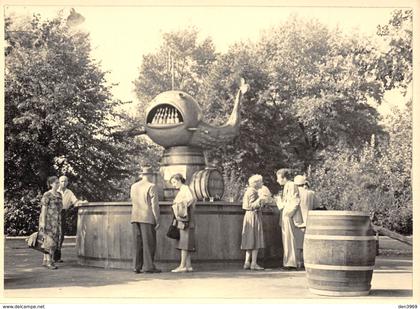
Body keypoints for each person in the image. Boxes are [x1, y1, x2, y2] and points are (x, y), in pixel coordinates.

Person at [130, 166, 161, 274]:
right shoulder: (152, 186)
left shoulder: (134, 186)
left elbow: (133, 201)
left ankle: (136, 266)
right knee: (149, 243)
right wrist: (157, 220)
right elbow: (154, 205)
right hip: (147, 217)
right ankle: (148, 267)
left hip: (135, 217)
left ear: (141, 175)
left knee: (137, 243)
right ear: (151, 175)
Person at [275, 168, 304, 270]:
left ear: (284, 178)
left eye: (278, 178)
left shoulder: (291, 185)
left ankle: (291, 263)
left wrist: (288, 213)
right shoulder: (288, 186)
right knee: (286, 239)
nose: (277, 180)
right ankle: (288, 262)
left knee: (289, 239)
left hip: (288, 215)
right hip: (286, 214)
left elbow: (295, 201)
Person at [169, 173, 197, 273]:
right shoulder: (184, 189)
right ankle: (188, 265)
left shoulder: (185, 189)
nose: (173, 184)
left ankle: (182, 266)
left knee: (184, 242)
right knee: (186, 242)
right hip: (184, 219)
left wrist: (182, 208)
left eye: (174, 182)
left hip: (185, 219)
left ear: (180, 180)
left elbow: (191, 199)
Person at [55, 176, 86, 262]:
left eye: (65, 181)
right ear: (59, 182)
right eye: (61, 181)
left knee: (61, 235)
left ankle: (57, 257)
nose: (63, 183)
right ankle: (50, 256)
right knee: (54, 234)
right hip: (53, 213)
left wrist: (82, 202)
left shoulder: (69, 192)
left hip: (63, 213)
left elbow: (75, 202)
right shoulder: (55, 191)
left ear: (67, 182)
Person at [241, 174, 266, 271]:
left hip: (248, 216)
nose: (262, 183)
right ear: (255, 183)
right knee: (256, 239)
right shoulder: (253, 192)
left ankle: (247, 262)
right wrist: (261, 199)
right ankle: (254, 263)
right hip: (253, 215)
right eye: (260, 181)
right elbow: (251, 205)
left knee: (249, 239)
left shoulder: (249, 191)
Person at [39, 176, 62, 270]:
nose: (58, 184)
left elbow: (60, 208)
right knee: (49, 242)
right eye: (56, 183)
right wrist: (43, 222)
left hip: (57, 221)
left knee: (55, 241)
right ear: (51, 184)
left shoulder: (59, 194)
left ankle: (45, 260)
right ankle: (49, 261)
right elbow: (44, 209)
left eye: (58, 182)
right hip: (48, 220)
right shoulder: (47, 195)